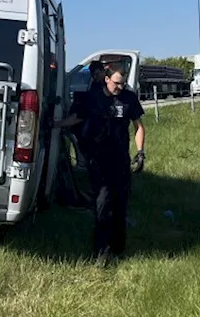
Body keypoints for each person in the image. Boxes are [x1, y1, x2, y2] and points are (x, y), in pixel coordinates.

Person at [58, 63, 146, 262]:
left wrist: (140, 152)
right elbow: (76, 118)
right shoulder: (93, 98)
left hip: (121, 160)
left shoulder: (129, 99)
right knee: (103, 204)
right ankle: (101, 252)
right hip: (98, 160)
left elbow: (138, 127)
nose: (120, 87)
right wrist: (57, 125)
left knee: (121, 205)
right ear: (106, 79)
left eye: (122, 84)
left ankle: (118, 249)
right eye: (116, 83)